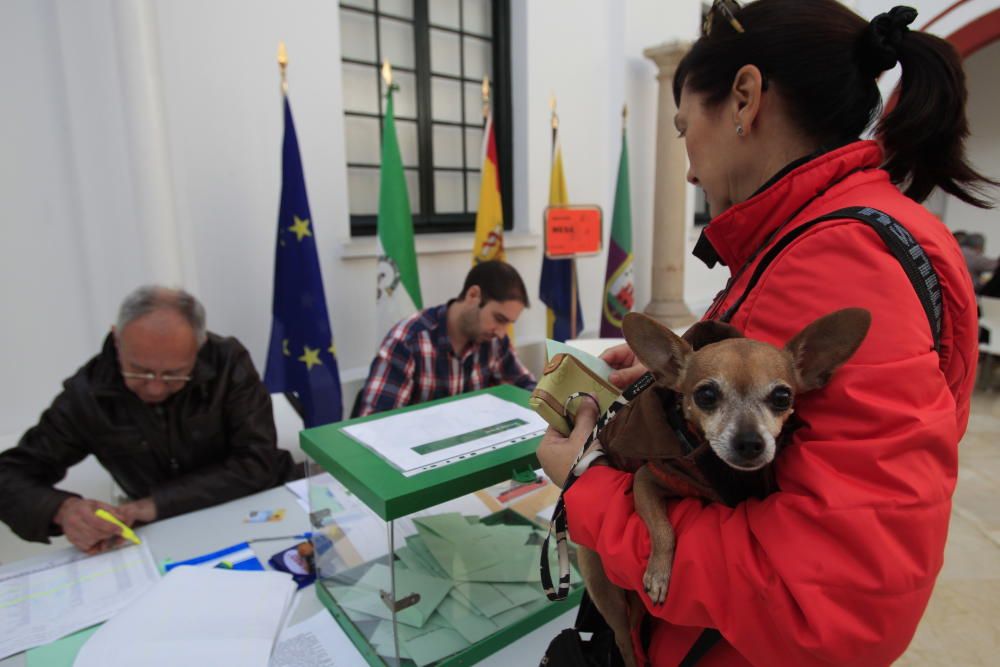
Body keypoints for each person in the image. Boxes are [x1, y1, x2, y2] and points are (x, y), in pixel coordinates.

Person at [537, 1, 993, 665]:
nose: (687, 165)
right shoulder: (815, 230)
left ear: (745, 98)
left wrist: (585, 482)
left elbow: (832, 601)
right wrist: (680, 385)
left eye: (683, 125)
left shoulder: (839, 259)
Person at [0, 286, 296, 553]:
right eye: (139, 371)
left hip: (257, 509)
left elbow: (258, 460)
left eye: (173, 374)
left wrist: (152, 505)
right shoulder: (88, 394)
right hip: (164, 536)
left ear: (199, 346)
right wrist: (63, 510)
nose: (155, 387)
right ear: (117, 340)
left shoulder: (228, 361)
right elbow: (9, 476)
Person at [357, 260, 536, 416]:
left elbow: (527, 389)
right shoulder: (408, 342)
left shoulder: (495, 341)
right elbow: (375, 424)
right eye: (499, 319)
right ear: (473, 295)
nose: (502, 332)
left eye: (509, 324)